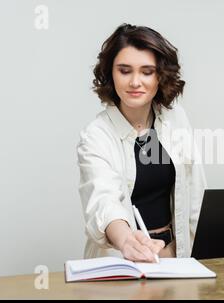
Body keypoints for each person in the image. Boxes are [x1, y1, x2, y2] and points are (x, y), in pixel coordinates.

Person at [77, 23, 206, 263]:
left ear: (160, 76)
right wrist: (127, 241)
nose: (135, 82)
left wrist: (196, 254)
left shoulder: (176, 117)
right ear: (110, 74)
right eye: (125, 71)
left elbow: (195, 190)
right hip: (122, 259)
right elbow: (102, 201)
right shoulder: (96, 135)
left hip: (174, 255)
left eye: (147, 71)